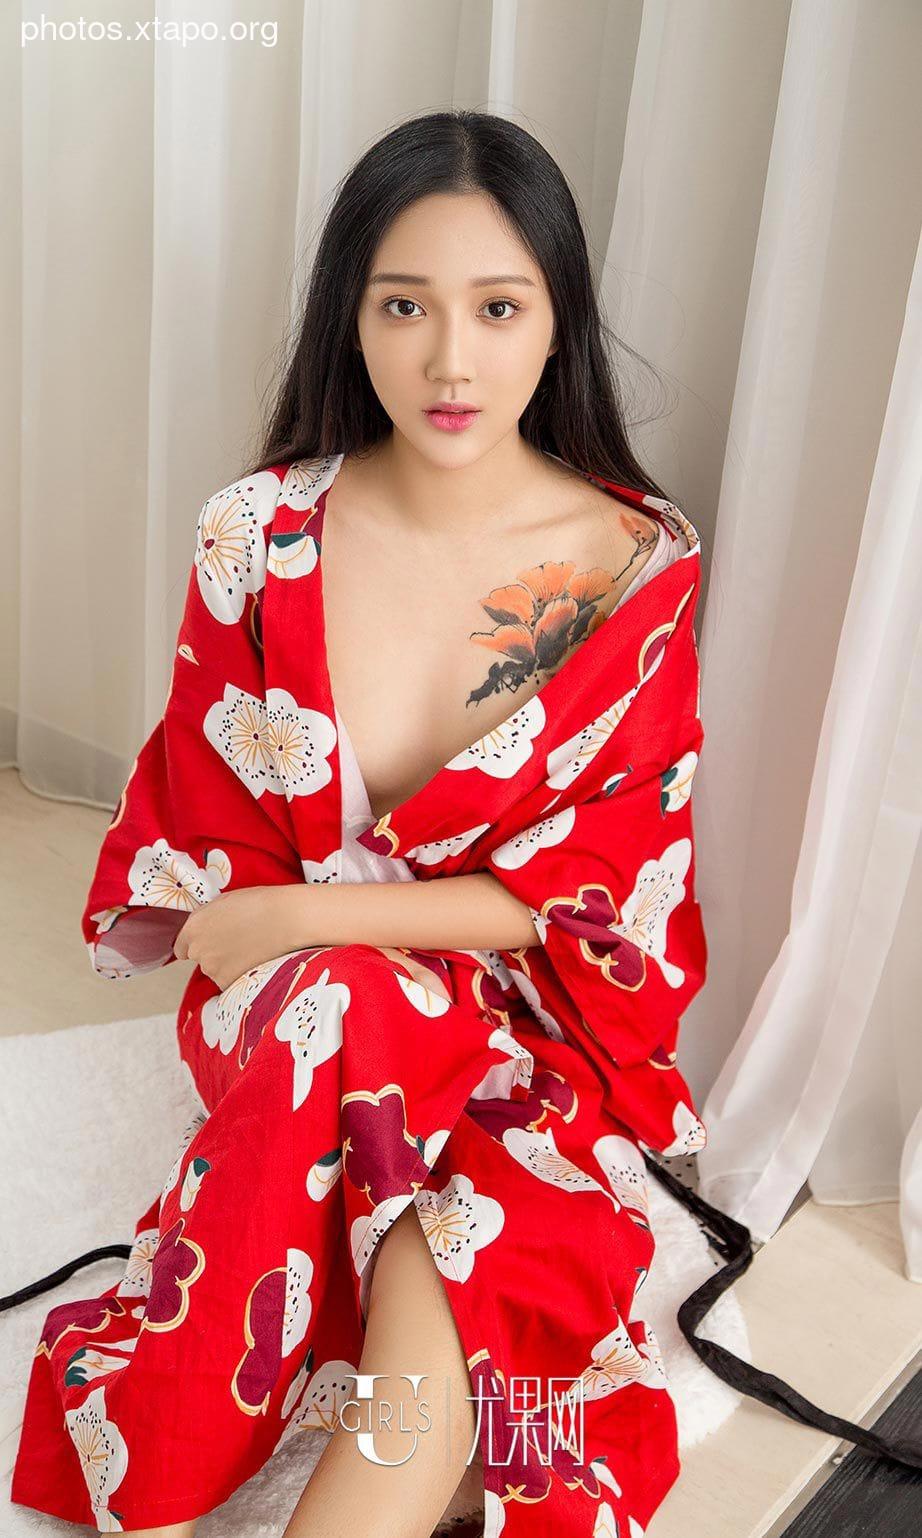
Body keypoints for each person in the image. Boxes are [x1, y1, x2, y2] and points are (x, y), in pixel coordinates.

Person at [10, 109, 711, 1537]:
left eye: (497, 308)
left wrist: (314, 911)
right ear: (350, 313)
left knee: (459, 1244)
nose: (450, 360)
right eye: (404, 306)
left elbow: (599, 895)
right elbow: (209, 864)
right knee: (344, 1006)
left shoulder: (632, 566)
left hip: (522, 1016)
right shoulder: (257, 537)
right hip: (297, 1011)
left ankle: (257, 1479)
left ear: (558, 322)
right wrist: (295, 934)